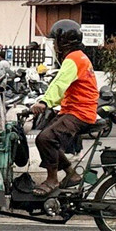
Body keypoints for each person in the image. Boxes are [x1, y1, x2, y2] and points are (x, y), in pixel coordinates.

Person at [31, 20, 99, 197]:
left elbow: (59, 84)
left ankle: (52, 179)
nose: (54, 45)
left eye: (55, 41)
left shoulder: (74, 59)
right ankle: (71, 173)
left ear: (63, 42)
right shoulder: (80, 57)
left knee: (46, 138)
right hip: (75, 110)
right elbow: (65, 87)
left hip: (80, 113)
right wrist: (48, 103)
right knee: (45, 137)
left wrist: (45, 102)